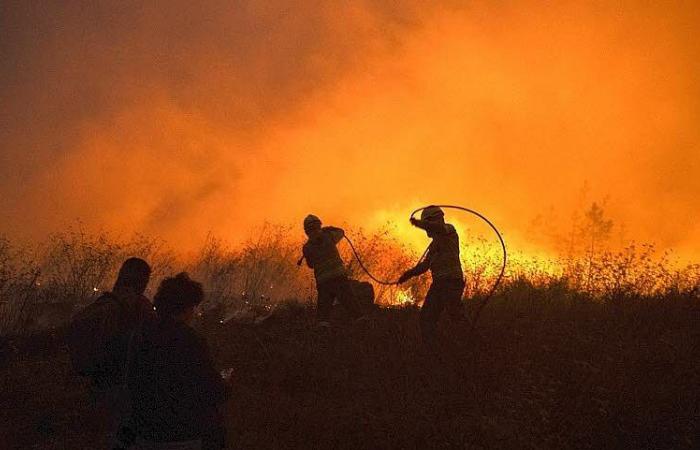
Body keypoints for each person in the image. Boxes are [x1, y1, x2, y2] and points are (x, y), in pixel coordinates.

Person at [125, 272, 231, 450]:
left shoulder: (141, 335)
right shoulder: (190, 340)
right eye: (193, 307)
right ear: (186, 307)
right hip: (182, 435)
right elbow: (212, 389)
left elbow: (132, 381)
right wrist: (225, 383)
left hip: (145, 433)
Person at [67, 257, 153, 449]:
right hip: (127, 389)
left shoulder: (102, 305)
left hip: (99, 385)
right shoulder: (142, 307)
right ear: (143, 281)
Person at [398, 206, 466, 346]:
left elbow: (439, 228)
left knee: (455, 315)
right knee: (426, 318)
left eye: (428, 223)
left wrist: (418, 223)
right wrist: (408, 274)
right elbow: (425, 265)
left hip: (451, 282)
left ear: (438, 220)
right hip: (439, 284)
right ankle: (435, 349)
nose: (427, 228)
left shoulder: (449, 230)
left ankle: (472, 344)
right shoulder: (434, 245)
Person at [301, 214, 360, 327]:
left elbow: (310, 265)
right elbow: (341, 232)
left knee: (323, 311)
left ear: (306, 231)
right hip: (339, 278)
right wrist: (328, 228)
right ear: (319, 225)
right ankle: (362, 327)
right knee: (351, 304)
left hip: (324, 282)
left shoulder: (307, 247)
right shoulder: (329, 236)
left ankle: (323, 336)